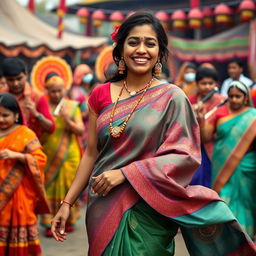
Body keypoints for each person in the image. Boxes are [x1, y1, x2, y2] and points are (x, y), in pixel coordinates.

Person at [51, 12, 256, 255]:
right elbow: (91, 154)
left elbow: (185, 156)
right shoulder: (100, 94)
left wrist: (126, 174)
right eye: (133, 42)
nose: (141, 49)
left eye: (150, 43)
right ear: (121, 49)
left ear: (160, 52)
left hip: (149, 206)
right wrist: (67, 202)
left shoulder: (173, 98)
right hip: (103, 204)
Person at [197, 80, 256, 238]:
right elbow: (205, 138)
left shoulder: (253, 117)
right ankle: (227, 241)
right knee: (223, 200)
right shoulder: (220, 112)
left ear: (245, 98)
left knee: (246, 202)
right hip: (222, 166)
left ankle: (245, 238)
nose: (235, 99)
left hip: (247, 166)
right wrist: (202, 120)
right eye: (231, 96)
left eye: (238, 96)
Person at [0, 93, 49, 255]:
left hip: (19, 193)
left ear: (16, 115)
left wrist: (18, 156)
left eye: (5, 115)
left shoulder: (25, 134)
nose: (1, 119)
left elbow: (40, 159)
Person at [40, 74, 84, 237]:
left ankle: (68, 220)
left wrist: (67, 119)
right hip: (48, 154)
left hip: (69, 155)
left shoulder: (72, 106)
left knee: (67, 186)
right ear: (47, 91)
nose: (57, 95)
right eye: (53, 91)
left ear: (64, 90)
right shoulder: (42, 106)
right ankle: (49, 222)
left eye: (59, 91)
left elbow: (80, 130)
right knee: (48, 187)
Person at [189, 67, 225, 187]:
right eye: (203, 83)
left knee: (210, 182)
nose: (207, 87)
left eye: (210, 83)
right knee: (193, 181)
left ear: (216, 84)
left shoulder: (222, 101)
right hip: (192, 147)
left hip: (214, 148)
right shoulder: (189, 100)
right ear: (197, 84)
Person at [2, 57, 55, 139]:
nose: (15, 83)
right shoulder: (2, 96)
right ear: (4, 79)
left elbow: (51, 128)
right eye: (11, 80)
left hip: (29, 147)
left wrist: (36, 114)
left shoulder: (37, 97)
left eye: (19, 79)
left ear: (26, 75)